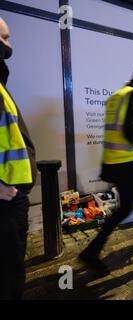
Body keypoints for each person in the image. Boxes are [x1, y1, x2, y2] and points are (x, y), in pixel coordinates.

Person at [79, 67, 133, 274]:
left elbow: (126, 125)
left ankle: (91, 251)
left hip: (115, 164)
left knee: (124, 209)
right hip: (132, 166)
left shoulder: (119, 95)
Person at [0, 17, 37, 299]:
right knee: (9, 274)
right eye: (4, 38)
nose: (8, 45)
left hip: (12, 194)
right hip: (6, 199)